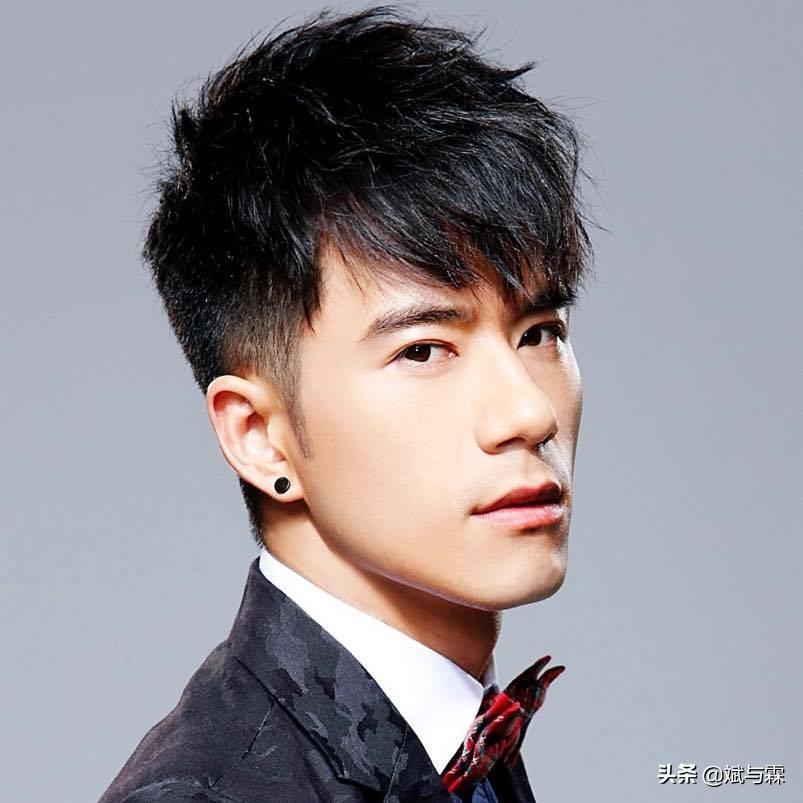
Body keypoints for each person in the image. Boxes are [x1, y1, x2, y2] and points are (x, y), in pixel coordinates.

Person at [100, 6, 595, 801]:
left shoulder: (447, 735)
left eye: (538, 332)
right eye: (423, 349)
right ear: (260, 436)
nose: (528, 414)